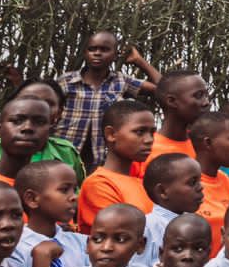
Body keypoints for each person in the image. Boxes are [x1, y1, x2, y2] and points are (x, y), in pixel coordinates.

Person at [56, 31, 161, 170]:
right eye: (92, 49)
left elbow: (165, 88)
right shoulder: (66, 81)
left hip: (100, 161)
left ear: (115, 54)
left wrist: (139, 60)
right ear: (85, 53)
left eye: (104, 49)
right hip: (63, 157)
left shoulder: (120, 81)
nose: (97, 53)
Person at [77, 101, 156, 231]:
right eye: (140, 132)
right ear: (111, 134)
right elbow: (119, 236)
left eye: (152, 132)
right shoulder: (99, 184)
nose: (149, 140)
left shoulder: (143, 181)